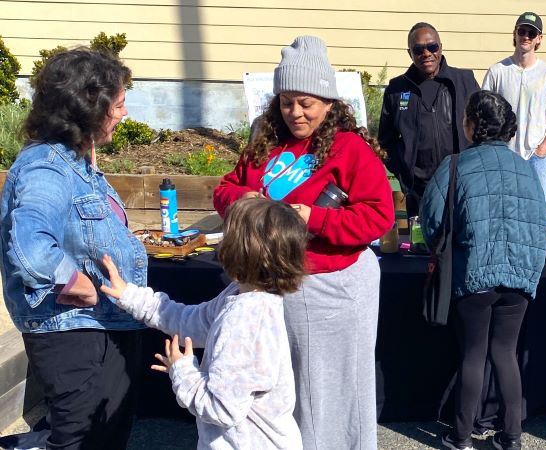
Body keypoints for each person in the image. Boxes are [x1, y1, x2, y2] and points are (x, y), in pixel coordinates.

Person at [213, 36, 394, 449]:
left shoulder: (351, 149)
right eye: (286, 101)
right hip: (278, 284)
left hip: (332, 288)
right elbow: (225, 188)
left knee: (328, 391)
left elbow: (378, 216)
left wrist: (314, 218)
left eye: (306, 103)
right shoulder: (266, 142)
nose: (294, 112)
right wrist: (244, 200)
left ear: (329, 103)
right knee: (289, 389)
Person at [0, 48, 146, 449]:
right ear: (88, 108)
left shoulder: (77, 163)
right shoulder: (47, 167)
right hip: (74, 333)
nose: (123, 114)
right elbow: (29, 243)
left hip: (106, 325)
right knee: (81, 442)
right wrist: (71, 280)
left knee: (104, 438)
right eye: (117, 105)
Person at [99, 198, 306, 449]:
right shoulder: (243, 297)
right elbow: (191, 321)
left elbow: (221, 408)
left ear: (238, 250)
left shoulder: (244, 323)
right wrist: (130, 296)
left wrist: (183, 371)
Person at [420, 91, 546, 450]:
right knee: (505, 353)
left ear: (472, 125)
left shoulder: (456, 164)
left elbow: (432, 223)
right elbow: (540, 224)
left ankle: (460, 438)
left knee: (472, 353)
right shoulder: (525, 168)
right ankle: (511, 438)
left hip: (473, 272)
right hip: (520, 277)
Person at [379, 22, 480, 217]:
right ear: (410, 53)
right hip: (419, 189)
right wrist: (404, 169)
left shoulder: (464, 81)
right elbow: (386, 140)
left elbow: (483, 128)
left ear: (440, 47)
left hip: (461, 183)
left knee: (462, 242)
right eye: (418, 49)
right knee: (421, 243)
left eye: (432, 47)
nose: (426, 53)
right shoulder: (397, 90)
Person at [482, 11, 546, 205]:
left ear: (539, 39)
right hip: (504, 156)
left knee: (538, 216)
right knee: (503, 211)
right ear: (515, 33)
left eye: (531, 33)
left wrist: (543, 148)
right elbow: (484, 113)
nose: (526, 36)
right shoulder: (497, 71)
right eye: (522, 31)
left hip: (536, 158)